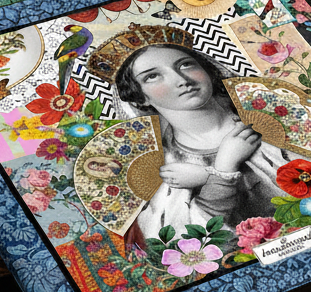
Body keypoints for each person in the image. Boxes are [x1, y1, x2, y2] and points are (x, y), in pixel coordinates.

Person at [90, 26, 293, 241]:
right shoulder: (163, 165)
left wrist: (207, 176)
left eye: (185, 64)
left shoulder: (269, 115)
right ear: (140, 98)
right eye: (152, 76)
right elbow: (194, 242)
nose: (181, 80)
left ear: (208, 70)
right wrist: (222, 170)